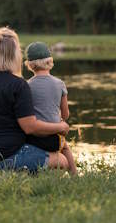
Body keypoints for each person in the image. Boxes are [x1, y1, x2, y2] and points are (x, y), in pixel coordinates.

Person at [0, 27, 70, 174]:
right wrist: (61, 127)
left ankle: (5, 175)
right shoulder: (18, 85)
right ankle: (17, 174)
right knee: (62, 161)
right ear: (15, 54)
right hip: (5, 157)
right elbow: (30, 127)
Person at [24, 42, 77, 175]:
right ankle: (74, 175)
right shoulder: (60, 84)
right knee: (65, 148)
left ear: (30, 65)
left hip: (33, 138)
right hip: (54, 139)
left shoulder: (26, 86)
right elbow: (65, 115)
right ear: (50, 61)